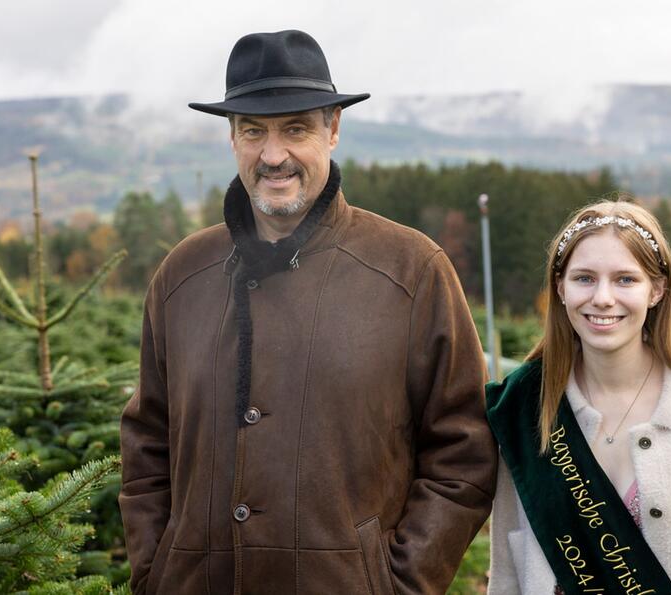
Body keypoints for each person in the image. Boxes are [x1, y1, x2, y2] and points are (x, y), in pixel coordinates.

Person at [118, 29, 497, 595]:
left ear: (333, 130)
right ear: (232, 139)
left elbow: (463, 452)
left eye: (295, 129)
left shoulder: (411, 270)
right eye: (254, 132)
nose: (274, 155)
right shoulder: (182, 276)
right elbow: (148, 442)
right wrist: (156, 571)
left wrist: (399, 583)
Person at [485, 200, 671, 594]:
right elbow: (507, 572)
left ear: (657, 290)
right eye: (584, 278)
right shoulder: (527, 404)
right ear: (560, 287)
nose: (603, 298)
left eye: (625, 279)